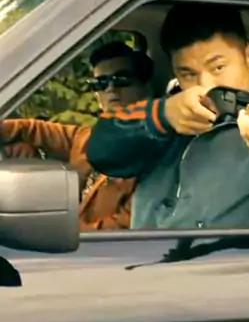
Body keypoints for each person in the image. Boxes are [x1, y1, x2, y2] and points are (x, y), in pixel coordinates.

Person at [86, 3, 249, 230]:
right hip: (139, 259)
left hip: (220, 263)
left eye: (218, 67)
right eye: (188, 74)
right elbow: (101, 151)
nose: (205, 86)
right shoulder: (170, 108)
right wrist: (162, 116)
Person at [1, 41, 154, 230]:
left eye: (121, 79)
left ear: (146, 86)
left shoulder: (158, 156)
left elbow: (125, 228)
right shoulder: (87, 137)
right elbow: (30, 129)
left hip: (91, 246)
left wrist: (55, 230)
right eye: (100, 83)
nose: (110, 89)